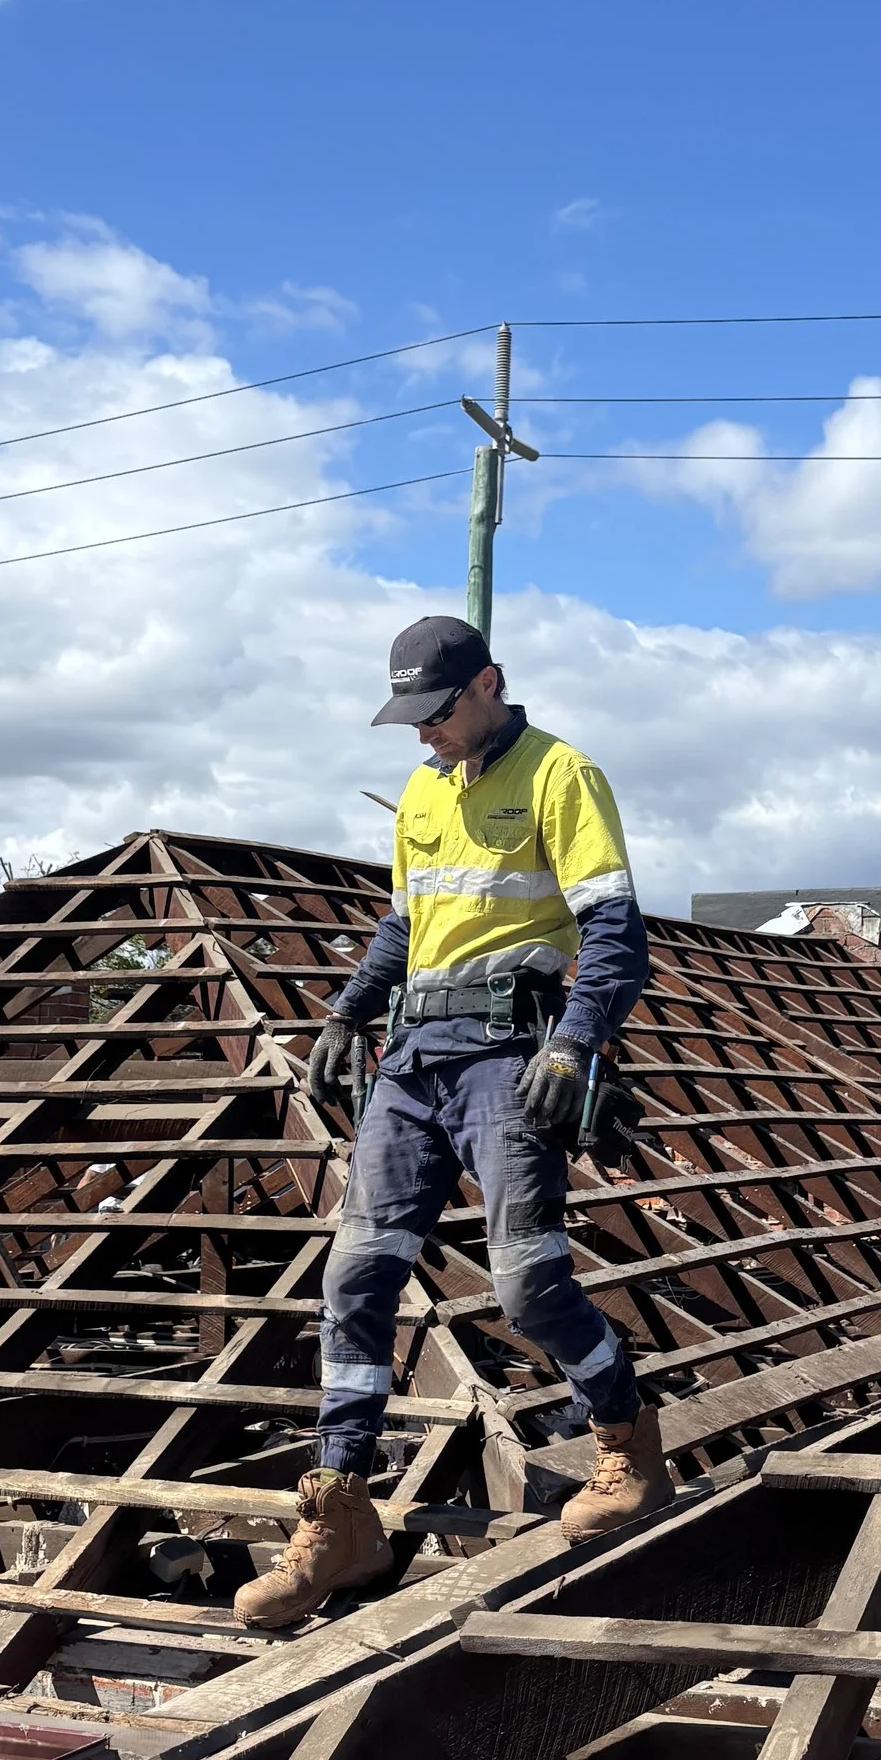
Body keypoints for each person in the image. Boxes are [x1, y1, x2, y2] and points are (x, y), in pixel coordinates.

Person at [234, 614, 669, 1630]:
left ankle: (626, 1447)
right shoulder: (427, 790)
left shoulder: (563, 775)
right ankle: (340, 1516)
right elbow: (405, 923)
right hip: (413, 1060)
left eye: (436, 714)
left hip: (507, 1057)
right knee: (355, 1278)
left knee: (526, 1286)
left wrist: (575, 1045)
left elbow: (614, 931)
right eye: (412, 720)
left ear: (488, 686)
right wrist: (346, 1008)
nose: (423, 735)